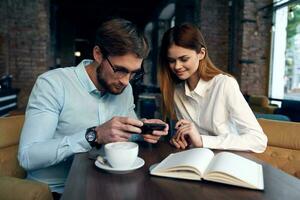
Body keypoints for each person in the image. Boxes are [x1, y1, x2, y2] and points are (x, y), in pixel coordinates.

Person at [18, 18, 168, 198]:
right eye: (120, 70)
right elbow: (28, 156)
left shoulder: (124, 89)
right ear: (98, 54)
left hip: (109, 186)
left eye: (133, 73)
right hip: (56, 191)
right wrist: (94, 135)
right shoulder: (53, 84)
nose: (126, 81)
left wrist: (142, 128)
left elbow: (123, 133)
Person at [158, 23, 267, 153]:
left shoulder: (224, 84)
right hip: (196, 160)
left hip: (228, 160)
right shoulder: (177, 93)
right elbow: (193, 139)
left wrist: (202, 140)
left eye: (184, 59)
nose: (177, 66)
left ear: (201, 54)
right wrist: (182, 139)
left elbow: (258, 140)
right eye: (171, 60)